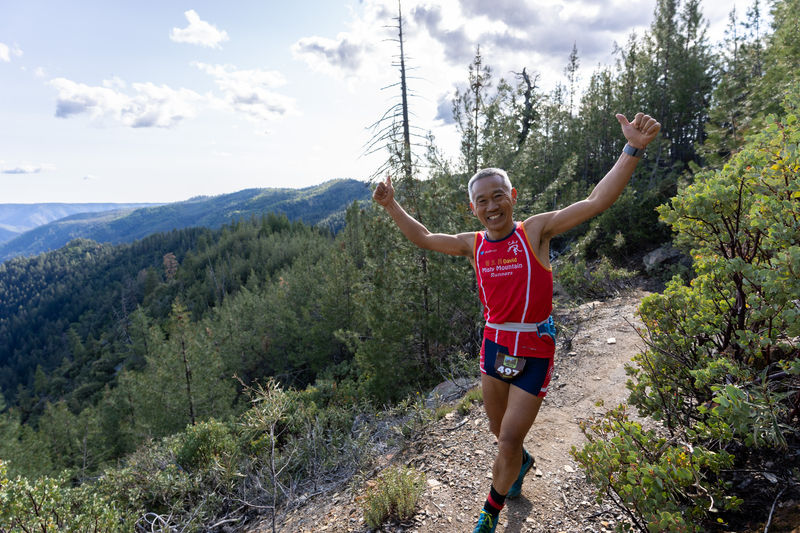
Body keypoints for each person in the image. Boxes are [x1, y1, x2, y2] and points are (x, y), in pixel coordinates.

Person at [373, 112, 661, 532]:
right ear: (473, 209)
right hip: (494, 347)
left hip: (535, 348)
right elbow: (423, 237)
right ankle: (520, 462)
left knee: (507, 438)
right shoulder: (471, 245)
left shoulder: (535, 232)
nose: (491, 206)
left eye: (498, 196)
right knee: (498, 431)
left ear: (512, 195)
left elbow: (597, 201)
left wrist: (632, 148)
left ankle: (490, 511)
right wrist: (390, 204)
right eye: (482, 201)